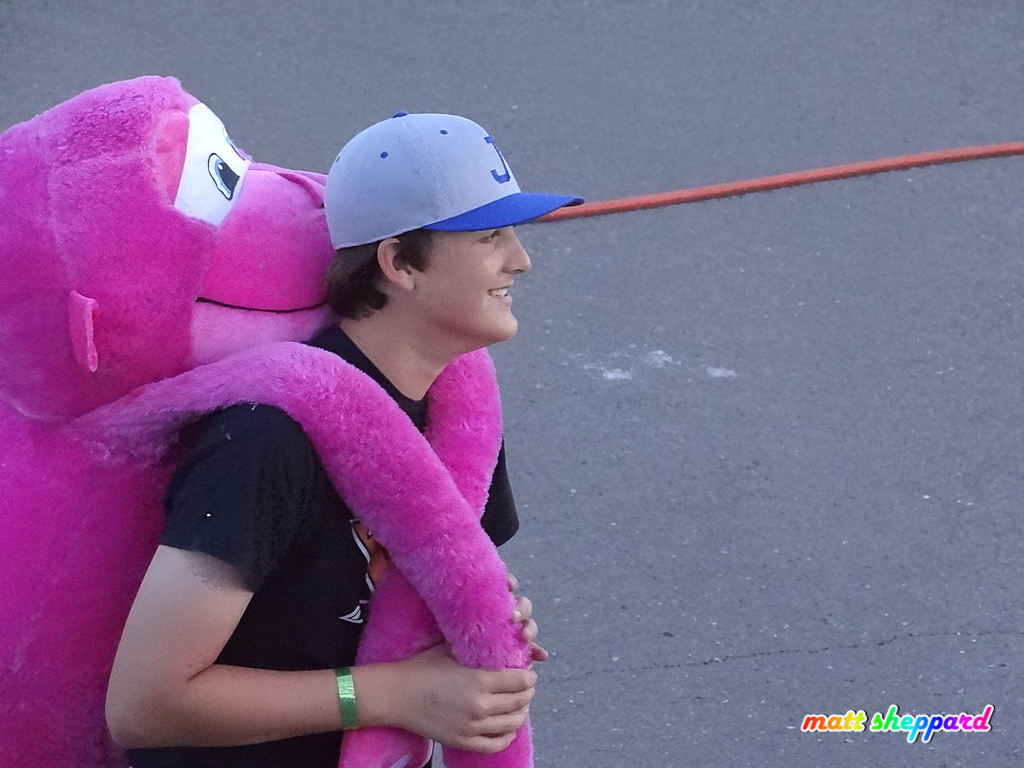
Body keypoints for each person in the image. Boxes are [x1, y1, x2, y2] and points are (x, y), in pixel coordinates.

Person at [105, 111, 582, 767]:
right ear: (399, 264)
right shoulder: (266, 436)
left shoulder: (459, 416)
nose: (520, 261)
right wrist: (390, 696)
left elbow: (429, 578)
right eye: (490, 235)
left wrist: (485, 620)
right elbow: (143, 705)